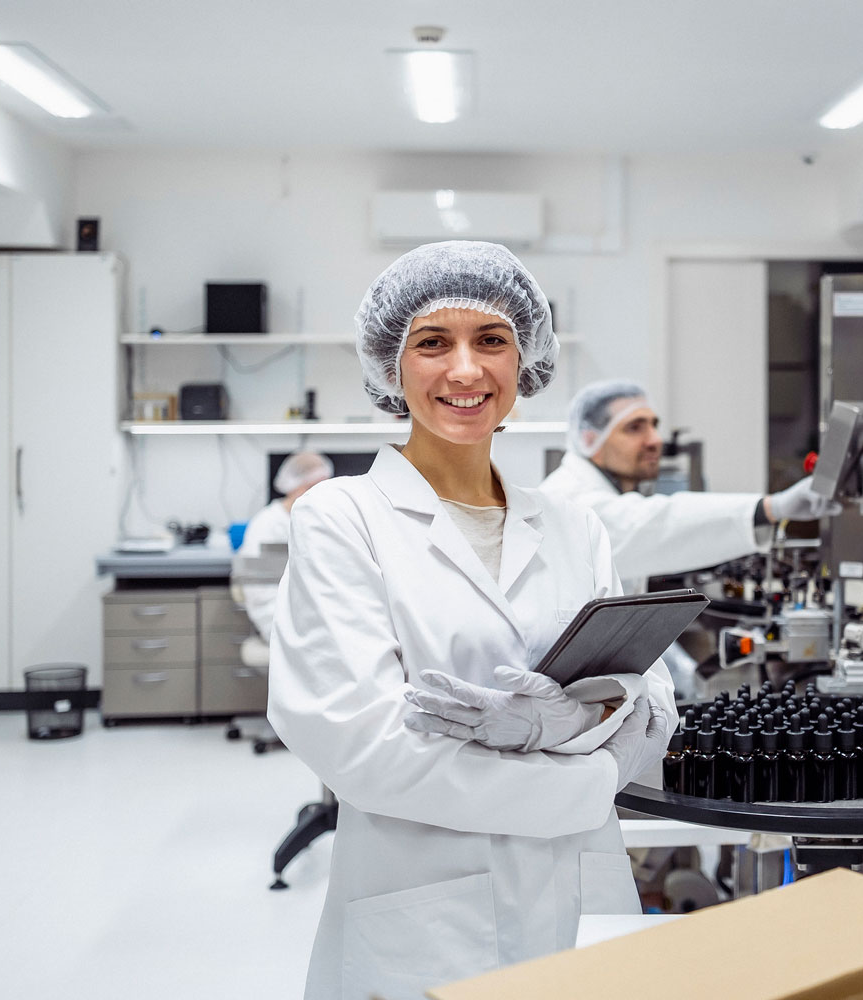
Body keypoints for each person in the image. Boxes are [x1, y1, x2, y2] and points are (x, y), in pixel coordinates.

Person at [266, 241, 674, 1000]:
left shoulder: (573, 527)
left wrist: (560, 729)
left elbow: (651, 707)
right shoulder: (342, 517)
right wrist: (584, 779)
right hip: (423, 915)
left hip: (585, 903)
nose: (465, 370)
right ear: (392, 363)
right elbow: (362, 746)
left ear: (526, 360)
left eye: (492, 340)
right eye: (432, 343)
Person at [540, 379, 841, 593]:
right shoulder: (571, 500)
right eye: (634, 427)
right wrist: (771, 508)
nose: (655, 440)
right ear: (590, 439)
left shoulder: (599, 491)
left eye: (653, 425)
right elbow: (654, 523)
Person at [235, 451, 334, 642]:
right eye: (313, 486)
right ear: (297, 486)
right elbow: (260, 593)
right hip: (280, 621)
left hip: (312, 614)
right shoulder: (269, 525)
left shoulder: (319, 520)